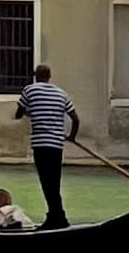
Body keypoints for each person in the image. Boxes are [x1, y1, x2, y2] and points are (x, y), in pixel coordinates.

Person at [14, 61, 80, 228]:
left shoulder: (29, 90)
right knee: (54, 183)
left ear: (36, 76)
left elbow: (18, 113)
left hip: (41, 144)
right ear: (49, 77)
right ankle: (58, 217)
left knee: (46, 183)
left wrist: (30, 112)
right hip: (57, 145)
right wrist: (71, 136)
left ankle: (57, 218)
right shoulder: (61, 94)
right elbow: (75, 119)